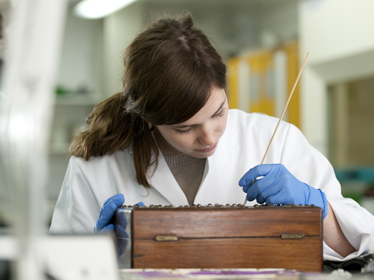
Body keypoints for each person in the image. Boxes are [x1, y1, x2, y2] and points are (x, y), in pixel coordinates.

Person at [50, 15, 374, 262]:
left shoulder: (276, 140)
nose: (208, 136)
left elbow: (362, 246)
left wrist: (316, 207)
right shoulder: (97, 165)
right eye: (184, 128)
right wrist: (97, 258)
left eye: (218, 112)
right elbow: (57, 269)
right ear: (149, 119)